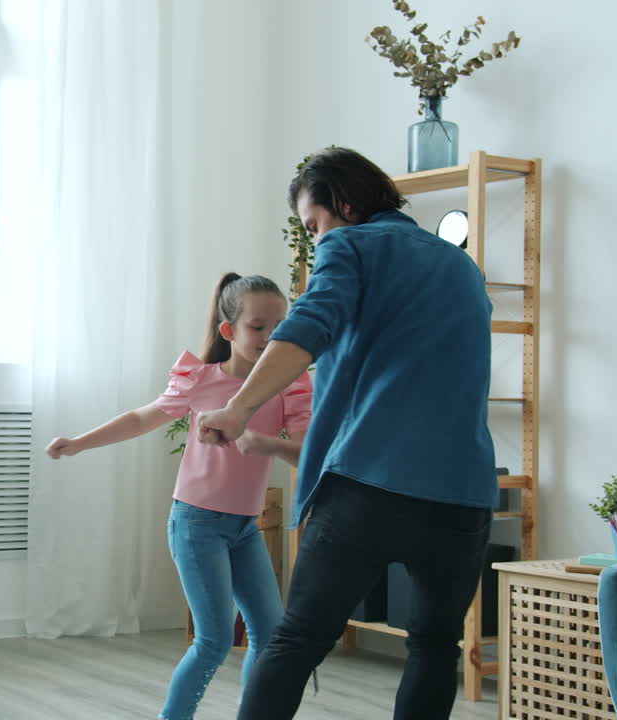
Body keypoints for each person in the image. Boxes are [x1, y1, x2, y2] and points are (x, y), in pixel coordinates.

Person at [197, 147, 497, 720]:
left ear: (345, 203)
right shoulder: (462, 266)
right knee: (435, 648)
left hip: (370, 483)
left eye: (315, 224)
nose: (316, 239)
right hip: (464, 494)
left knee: (297, 642)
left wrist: (238, 408)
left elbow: (307, 327)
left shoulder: (351, 244)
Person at [45, 272, 312, 720]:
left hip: (245, 528)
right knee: (214, 640)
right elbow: (140, 418)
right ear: (229, 331)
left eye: (279, 327)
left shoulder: (290, 385)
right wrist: (77, 442)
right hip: (196, 524)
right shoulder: (200, 380)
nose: (270, 337)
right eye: (257, 327)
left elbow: (307, 451)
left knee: (270, 635)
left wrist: (264, 442)